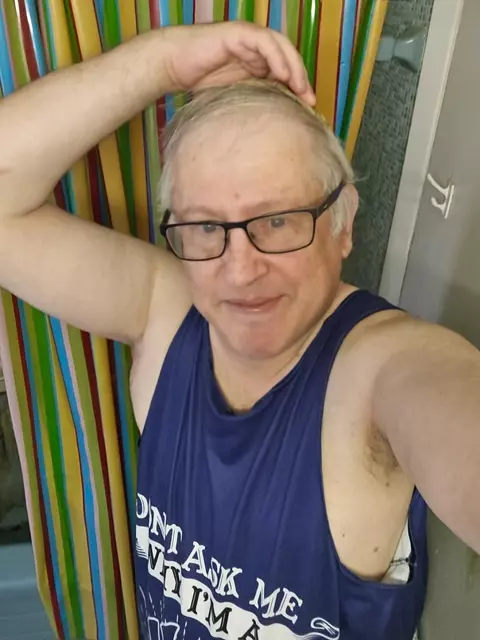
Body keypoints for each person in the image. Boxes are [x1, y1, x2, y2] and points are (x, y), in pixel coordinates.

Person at [0, 20, 478, 640]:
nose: (241, 270)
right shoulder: (167, 313)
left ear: (342, 225)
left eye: (277, 220)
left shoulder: (381, 368)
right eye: (206, 227)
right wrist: (165, 62)